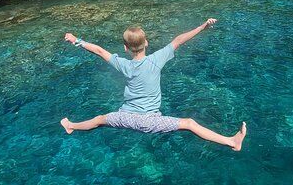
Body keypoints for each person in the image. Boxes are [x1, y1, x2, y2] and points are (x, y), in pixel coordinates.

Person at [60, 18, 247, 151]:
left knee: (99, 120)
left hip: (125, 117)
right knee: (189, 123)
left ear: (125, 48)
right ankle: (231, 141)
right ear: (146, 43)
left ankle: (71, 126)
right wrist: (203, 26)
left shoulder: (123, 64)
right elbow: (179, 40)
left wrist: (77, 40)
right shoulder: (157, 59)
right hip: (150, 121)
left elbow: (100, 51)